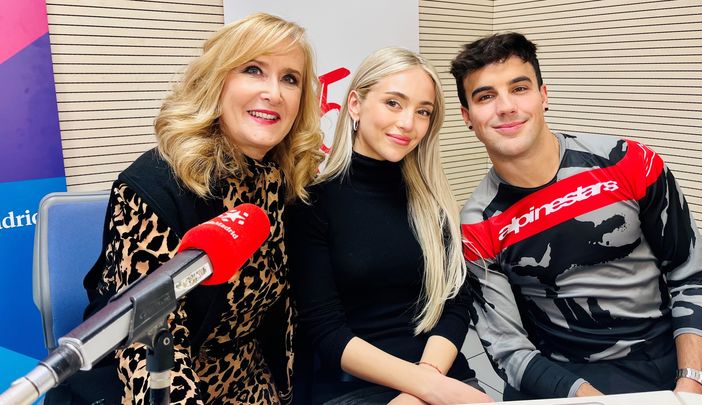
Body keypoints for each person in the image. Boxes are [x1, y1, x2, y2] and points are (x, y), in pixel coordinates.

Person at [450, 32, 702, 400]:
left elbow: (690, 271)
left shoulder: (629, 162)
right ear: (467, 117)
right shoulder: (476, 225)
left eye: (519, 88)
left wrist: (691, 383)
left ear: (543, 95)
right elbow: (508, 348)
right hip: (569, 373)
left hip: (671, 348)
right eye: (486, 96)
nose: (506, 107)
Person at [80, 12, 323, 404]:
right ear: (217, 81)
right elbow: (147, 342)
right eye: (254, 70)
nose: (274, 93)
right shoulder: (156, 185)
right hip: (165, 384)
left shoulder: (287, 179)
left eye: (290, 78)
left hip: (252, 379)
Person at [285, 47, 493, 405]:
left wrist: (427, 381)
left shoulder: (433, 201)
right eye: (393, 103)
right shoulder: (312, 204)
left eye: (423, 111)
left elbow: (455, 303)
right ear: (355, 105)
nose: (408, 123)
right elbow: (325, 330)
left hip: (442, 373)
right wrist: (425, 387)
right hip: (354, 387)